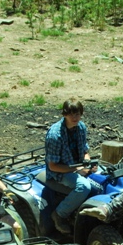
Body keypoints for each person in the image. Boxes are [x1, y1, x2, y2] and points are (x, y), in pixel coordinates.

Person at [44, 97, 98, 234]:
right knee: (84, 187)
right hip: (60, 172)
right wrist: (78, 169)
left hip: (79, 166)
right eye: (71, 114)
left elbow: (85, 150)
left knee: (106, 177)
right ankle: (59, 214)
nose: (75, 118)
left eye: (77, 114)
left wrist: (88, 162)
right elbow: (53, 166)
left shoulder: (81, 127)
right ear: (64, 114)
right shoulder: (55, 135)